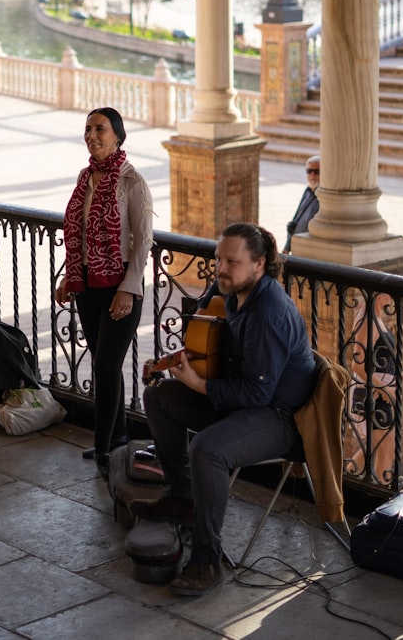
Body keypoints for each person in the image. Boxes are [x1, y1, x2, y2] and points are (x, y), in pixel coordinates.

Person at [132, 223, 316, 596]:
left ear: (259, 264)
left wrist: (199, 385)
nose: (221, 268)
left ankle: (206, 559)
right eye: (219, 259)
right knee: (159, 397)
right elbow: (205, 326)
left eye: (232, 261)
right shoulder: (230, 289)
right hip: (238, 398)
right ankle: (183, 498)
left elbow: (258, 394)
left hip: (279, 416)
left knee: (208, 449)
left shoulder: (270, 313)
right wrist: (176, 362)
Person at [54, 107, 153, 477]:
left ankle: (102, 447)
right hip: (88, 286)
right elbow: (78, 233)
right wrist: (70, 276)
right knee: (104, 363)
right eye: (88, 128)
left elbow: (143, 242)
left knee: (107, 365)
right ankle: (120, 435)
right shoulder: (85, 178)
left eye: (100, 128)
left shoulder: (132, 182)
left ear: (118, 136)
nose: (92, 134)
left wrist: (128, 290)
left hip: (120, 288)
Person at [283, 155, 320, 253]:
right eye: (309, 171)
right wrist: (287, 246)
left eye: (316, 172)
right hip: (297, 244)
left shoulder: (324, 197)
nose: (312, 175)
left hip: (310, 248)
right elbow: (297, 218)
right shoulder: (308, 191)